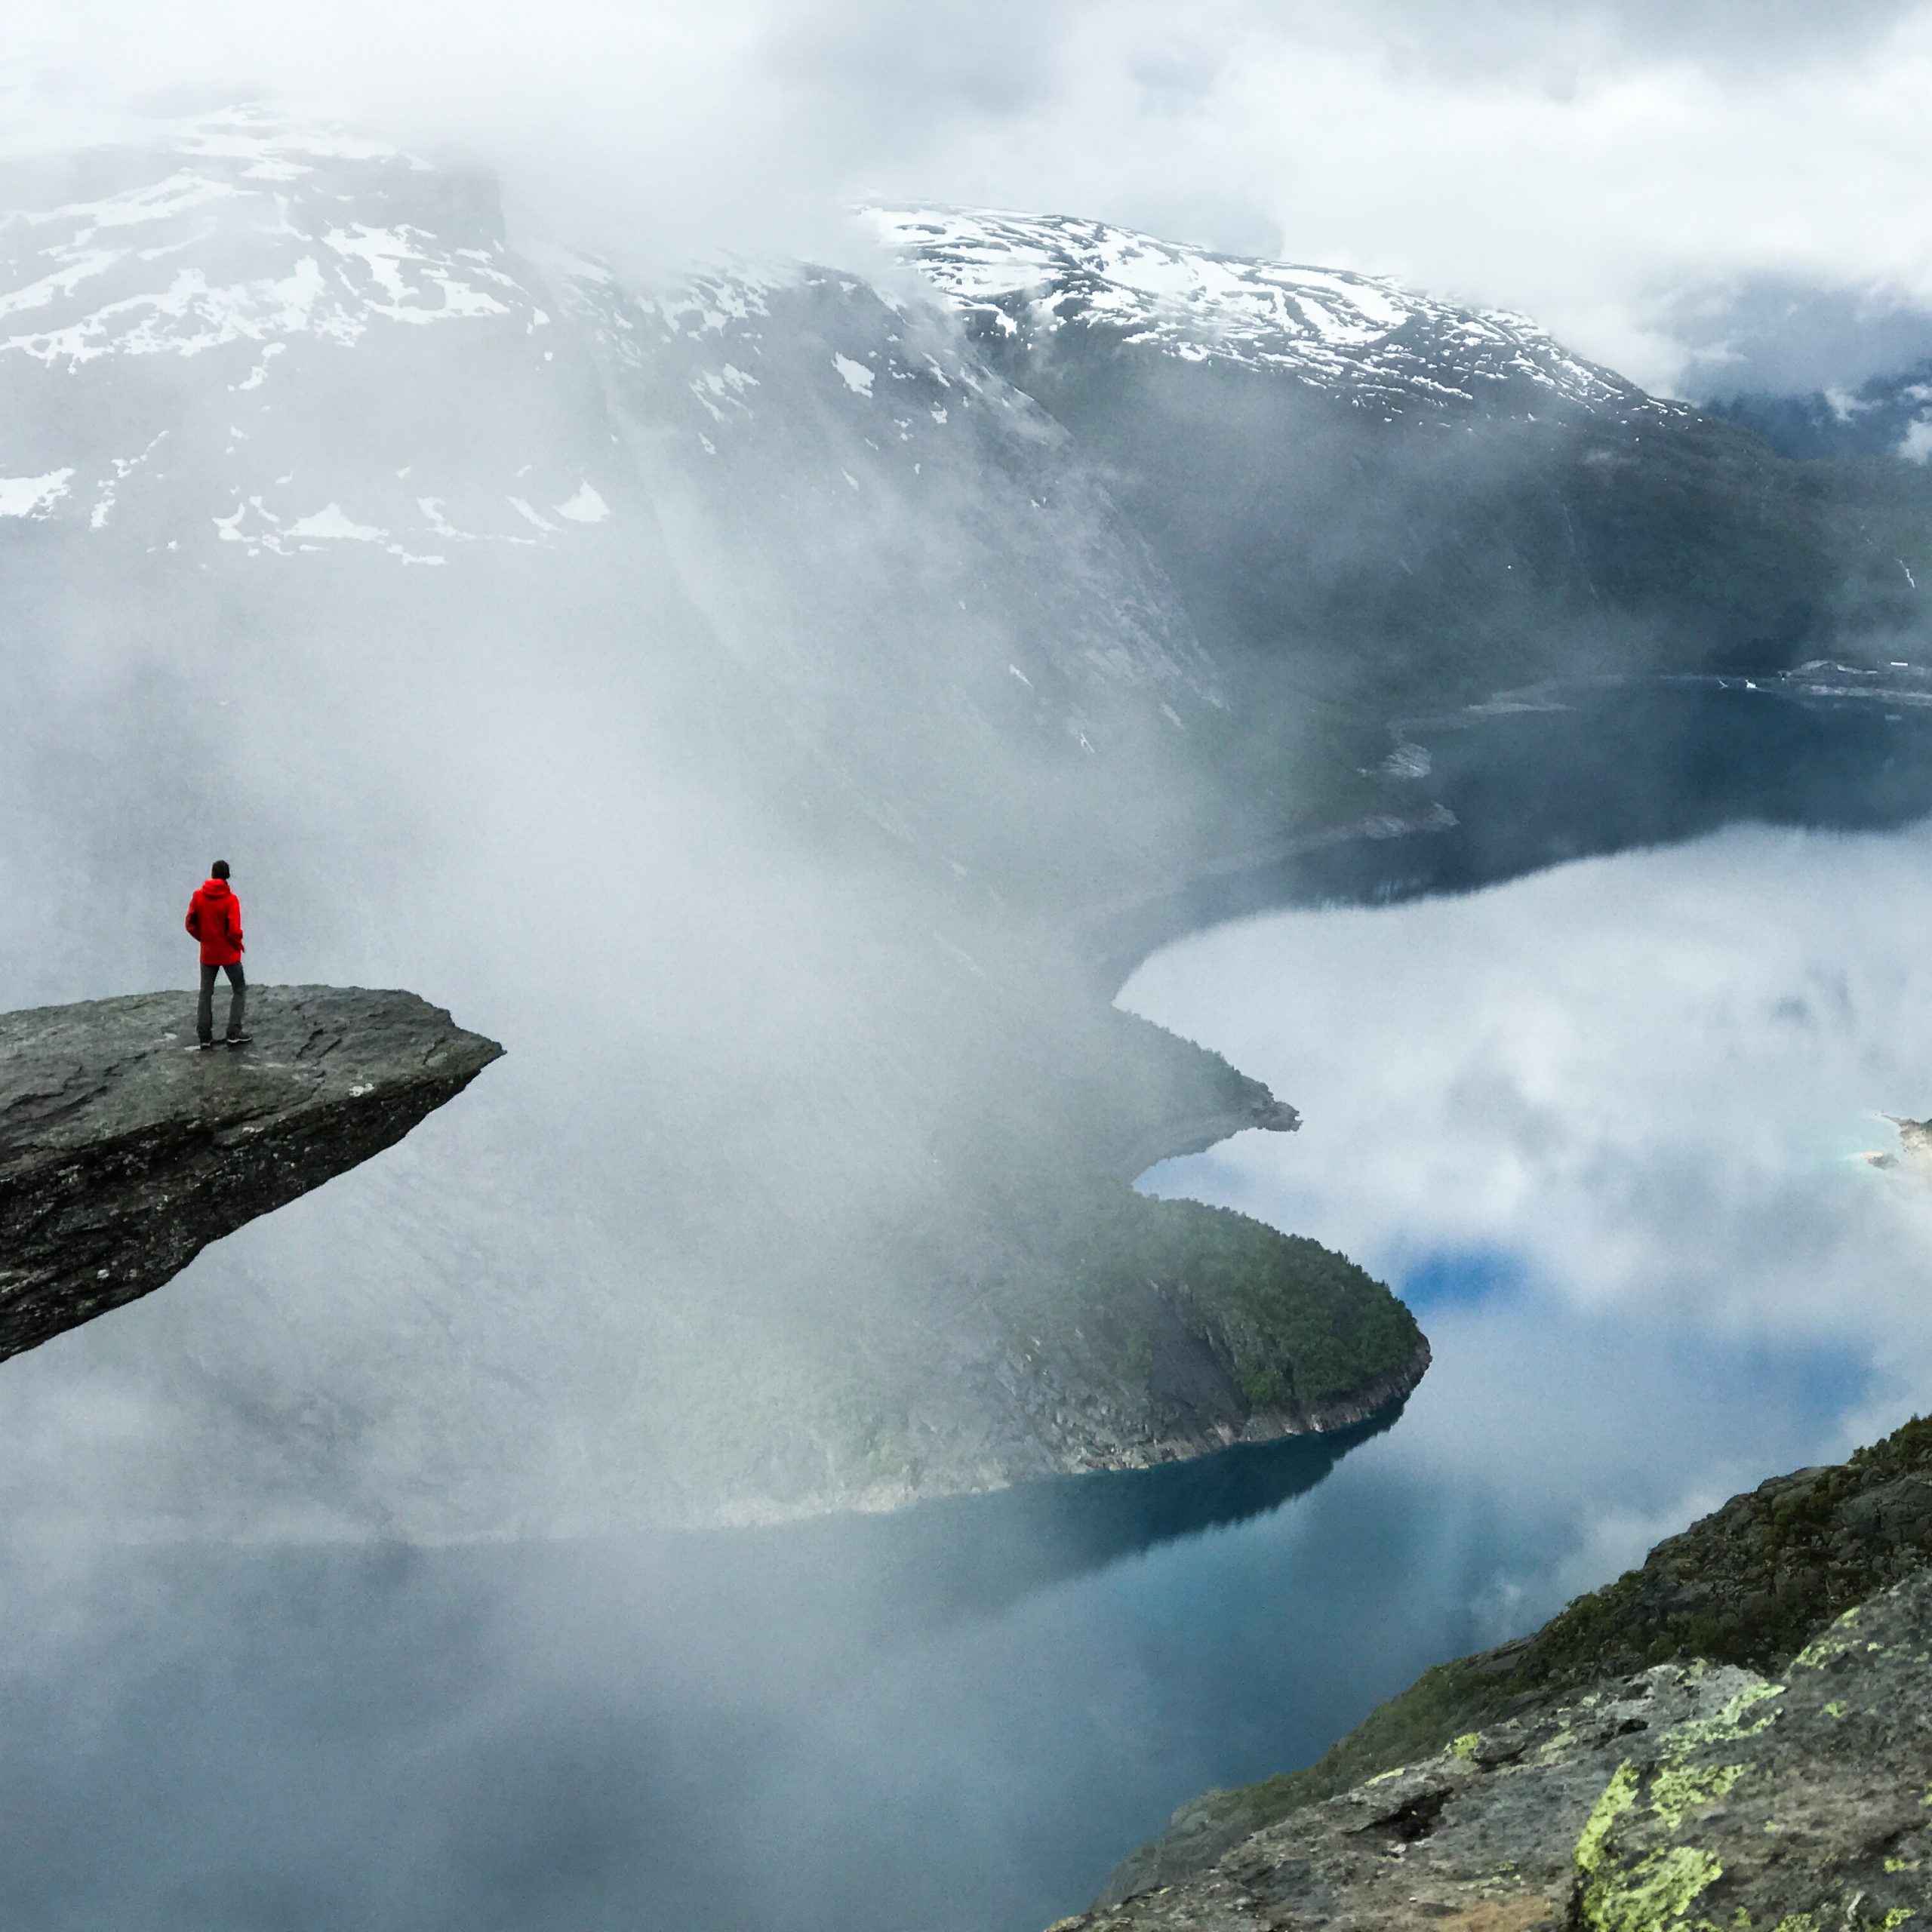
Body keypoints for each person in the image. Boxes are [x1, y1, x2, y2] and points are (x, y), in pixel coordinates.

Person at [186, 860, 251, 1048]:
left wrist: (204, 938)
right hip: (229, 954)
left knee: (206, 992)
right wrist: (237, 944)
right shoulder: (231, 900)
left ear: (212, 874)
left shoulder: (198, 896)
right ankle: (233, 1032)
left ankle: (204, 1037)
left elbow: (191, 923)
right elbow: (233, 930)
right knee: (239, 989)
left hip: (208, 953)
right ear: (227, 876)